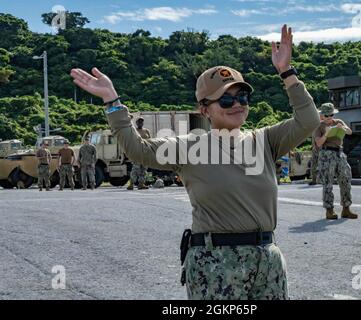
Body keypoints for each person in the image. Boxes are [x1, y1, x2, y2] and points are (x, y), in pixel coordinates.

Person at [71, 25, 320, 300]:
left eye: (242, 97)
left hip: (268, 260)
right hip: (216, 263)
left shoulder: (266, 140)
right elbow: (138, 150)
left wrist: (287, 73)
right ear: (205, 109)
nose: (237, 104)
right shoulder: (191, 147)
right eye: (226, 99)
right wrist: (113, 102)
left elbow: (309, 121)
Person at [314, 103, 358, 220]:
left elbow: (349, 132)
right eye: (327, 115)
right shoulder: (318, 126)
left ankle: (346, 209)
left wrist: (342, 128)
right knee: (327, 182)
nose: (329, 117)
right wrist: (327, 133)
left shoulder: (338, 121)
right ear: (322, 115)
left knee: (345, 179)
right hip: (326, 154)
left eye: (331, 114)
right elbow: (318, 143)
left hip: (339, 153)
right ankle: (329, 210)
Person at [127, 117, 151, 190]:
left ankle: (141, 184)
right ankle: (131, 184)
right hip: (137, 152)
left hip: (145, 152)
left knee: (143, 170)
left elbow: (150, 141)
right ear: (136, 123)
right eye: (139, 122)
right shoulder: (134, 131)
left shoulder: (146, 131)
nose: (140, 123)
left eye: (142, 122)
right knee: (135, 169)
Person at [308, 111, 322, 185]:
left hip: (322, 148)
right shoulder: (314, 126)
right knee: (314, 164)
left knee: (322, 164)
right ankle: (314, 179)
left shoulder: (322, 125)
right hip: (315, 148)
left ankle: (321, 179)